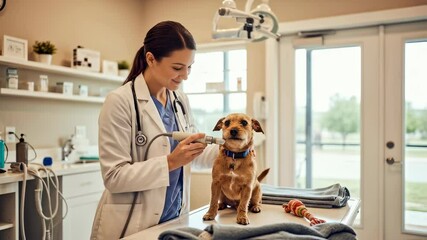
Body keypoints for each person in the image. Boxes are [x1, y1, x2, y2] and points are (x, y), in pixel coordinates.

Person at [90, 21, 219, 239]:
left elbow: (192, 151)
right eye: (178, 68)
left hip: (174, 220)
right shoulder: (120, 101)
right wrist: (170, 162)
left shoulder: (180, 100)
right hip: (132, 226)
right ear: (151, 59)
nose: (185, 75)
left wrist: (232, 150)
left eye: (190, 67)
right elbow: (114, 176)